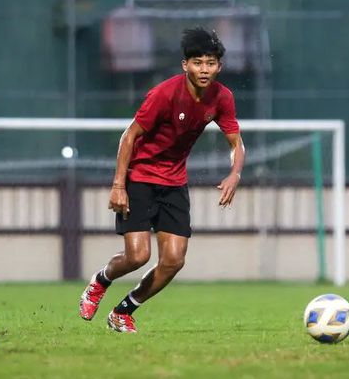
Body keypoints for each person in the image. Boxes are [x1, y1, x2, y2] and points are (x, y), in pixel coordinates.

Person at [79, 27, 245, 333]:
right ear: (185, 65)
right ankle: (100, 281)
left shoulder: (222, 98)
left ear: (219, 66)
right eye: (198, 62)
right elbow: (129, 136)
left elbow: (237, 143)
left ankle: (123, 311)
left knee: (173, 260)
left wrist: (235, 173)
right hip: (140, 177)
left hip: (174, 182)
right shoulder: (164, 94)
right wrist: (118, 185)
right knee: (138, 256)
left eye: (210, 63)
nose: (204, 69)